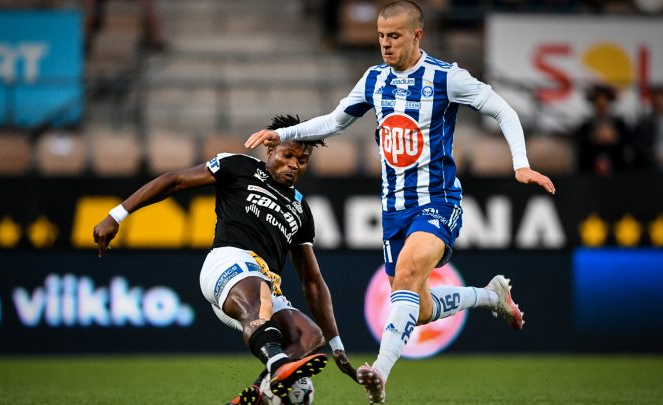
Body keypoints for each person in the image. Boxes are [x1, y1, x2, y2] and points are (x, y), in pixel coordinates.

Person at [245, 2, 555, 403]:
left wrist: (521, 164)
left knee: (407, 274)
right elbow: (336, 120)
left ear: (417, 35)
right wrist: (285, 134)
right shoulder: (375, 79)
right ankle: (490, 296)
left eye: (394, 36)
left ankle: (380, 371)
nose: (385, 45)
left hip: (438, 202)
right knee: (419, 308)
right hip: (394, 211)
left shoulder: (446, 78)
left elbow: (502, 108)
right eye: (380, 36)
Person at [93, 115, 357, 405]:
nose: (294, 164)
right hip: (227, 263)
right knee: (261, 296)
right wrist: (116, 215)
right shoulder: (240, 166)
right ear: (271, 150)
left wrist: (337, 345)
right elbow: (175, 181)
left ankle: (260, 393)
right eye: (288, 154)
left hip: (263, 285)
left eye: (302, 160)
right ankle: (279, 366)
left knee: (308, 336)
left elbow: (312, 281)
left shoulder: (300, 210)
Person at [575, 84, 633, 175]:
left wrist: (615, 137)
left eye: (604, 100)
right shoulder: (586, 126)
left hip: (617, 170)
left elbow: (628, 141)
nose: (601, 104)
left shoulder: (619, 124)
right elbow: (581, 145)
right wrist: (594, 137)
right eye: (598, 101)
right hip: (591, 171)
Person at [632, 84, 663, 173]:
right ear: (652, 101)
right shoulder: (644, 124)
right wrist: (655, 158)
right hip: (655, 162)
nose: (659, 101)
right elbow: (639, 145)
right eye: (656, 98)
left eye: (662, 98)